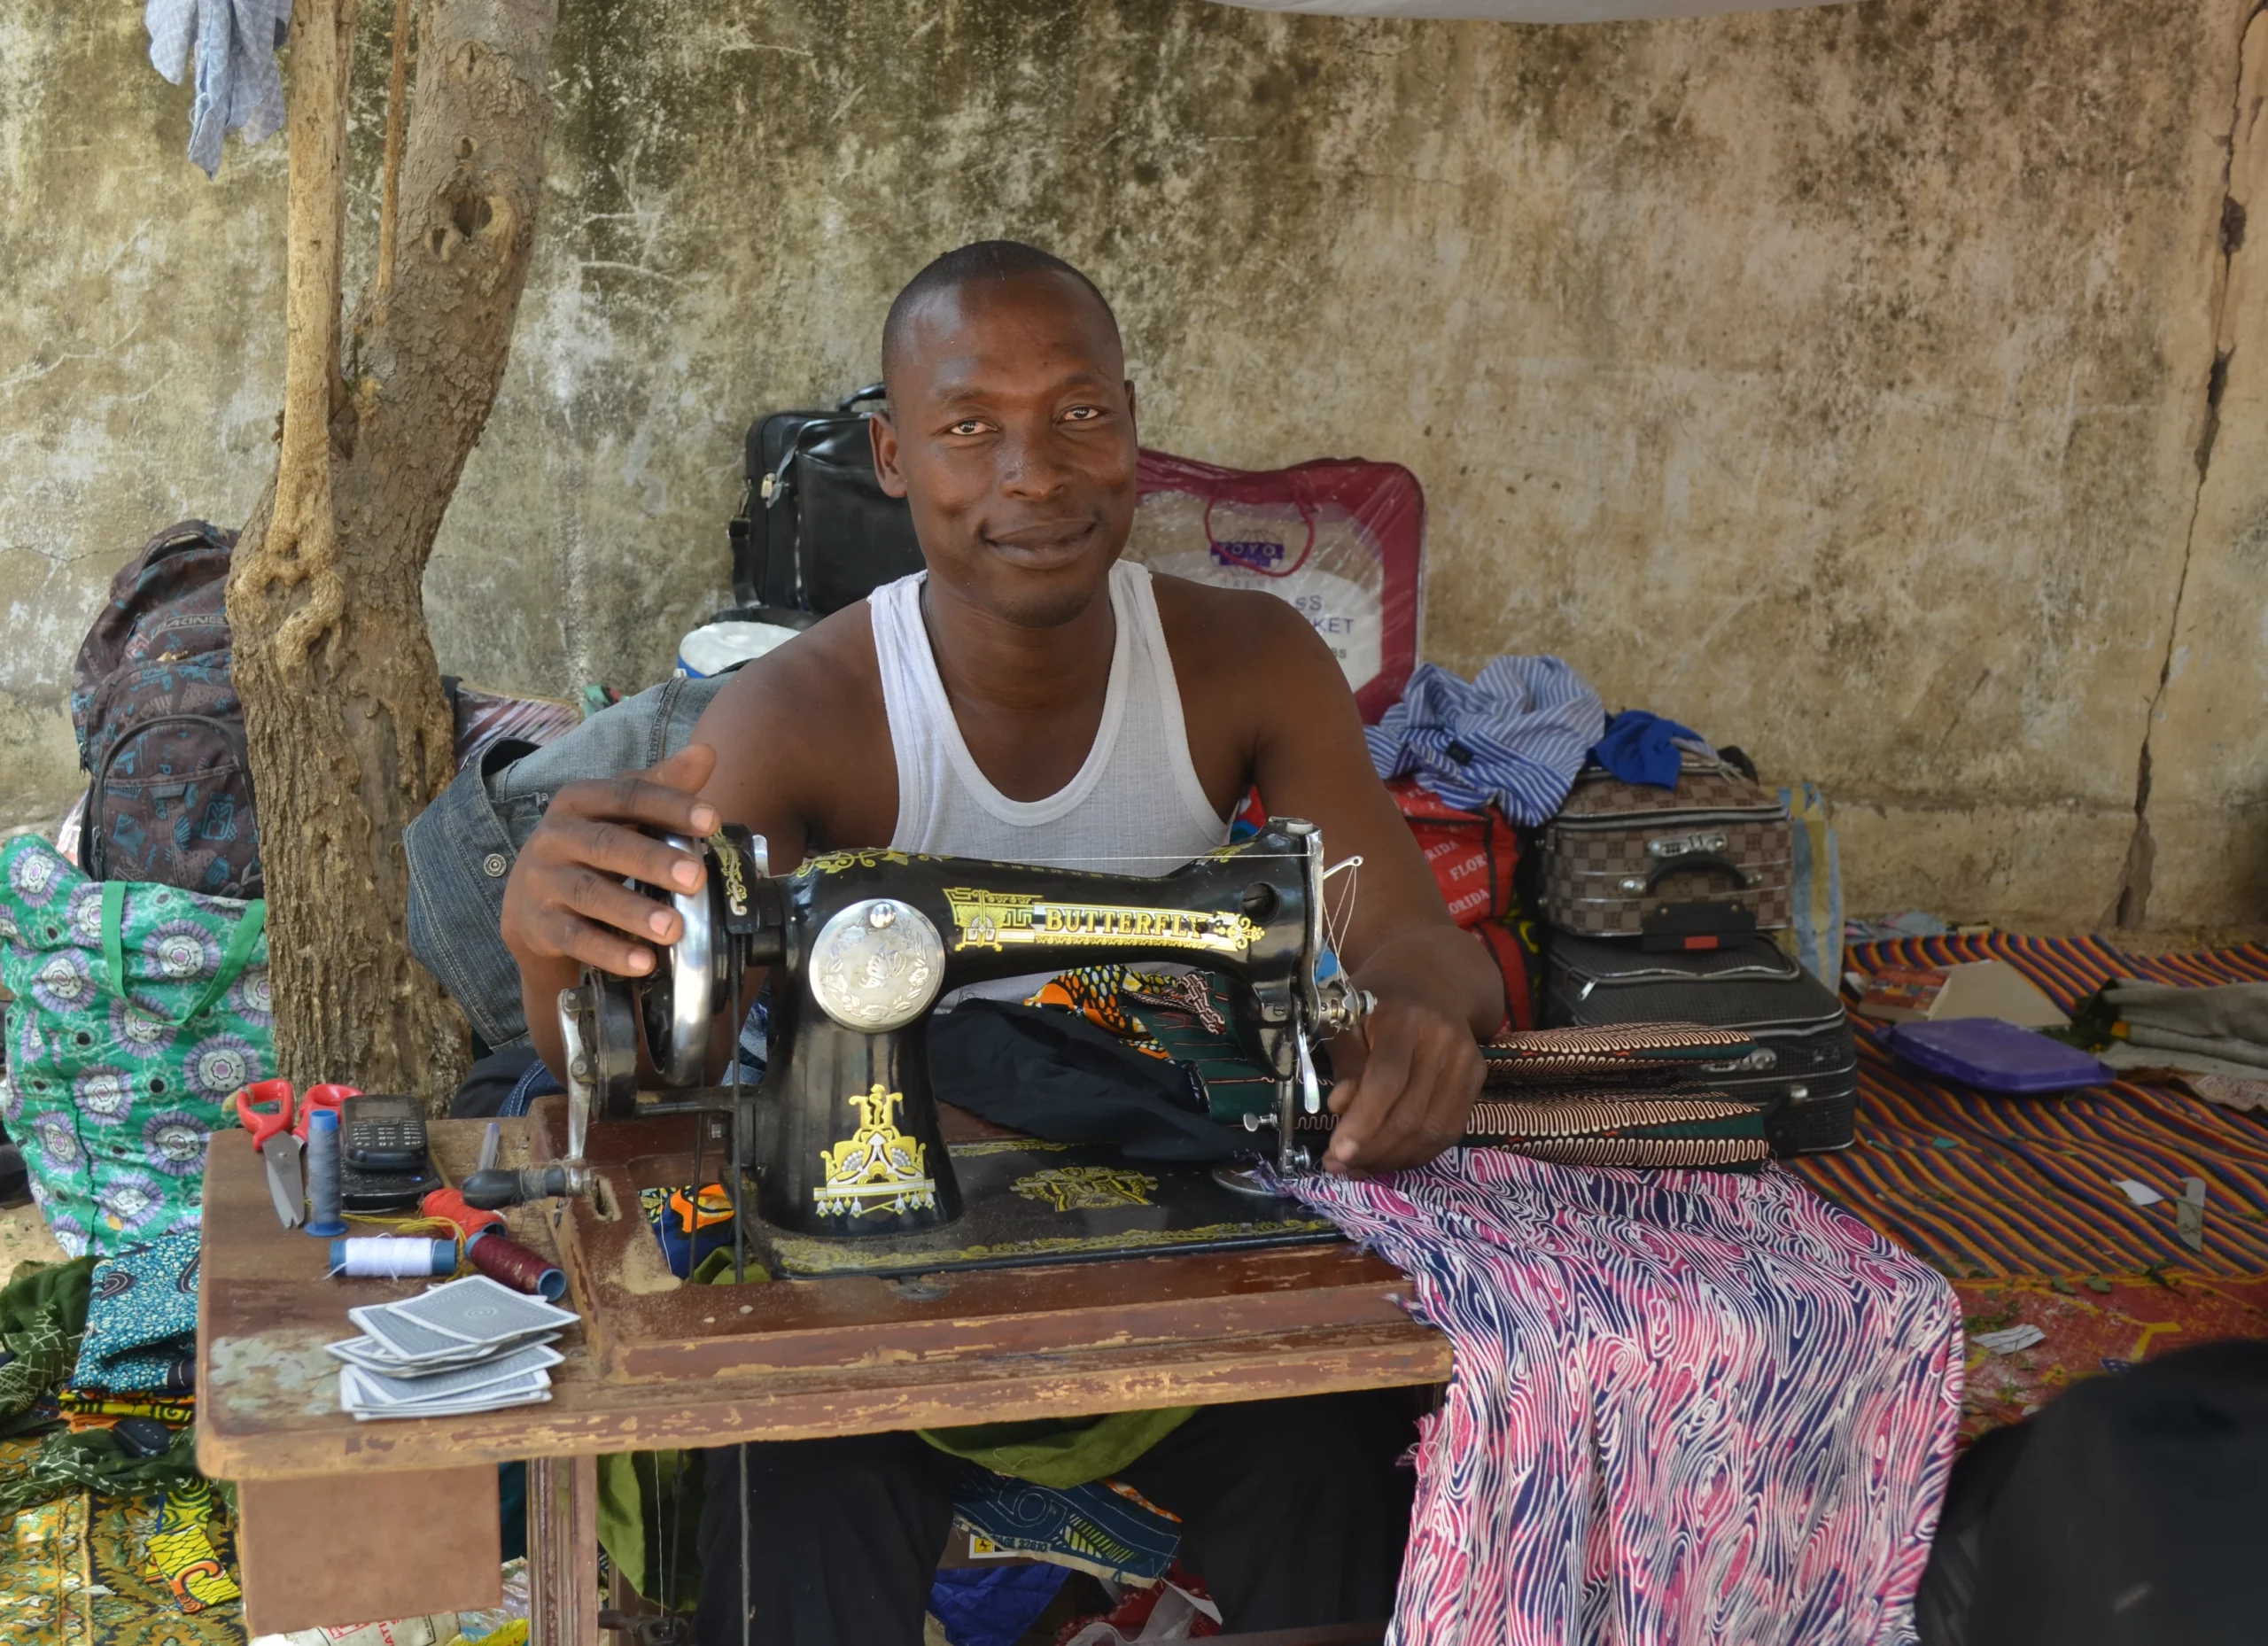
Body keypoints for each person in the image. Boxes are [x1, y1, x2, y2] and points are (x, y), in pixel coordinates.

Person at [500, 240, 1503, 1644]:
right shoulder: (810, 715)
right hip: (885, 1282)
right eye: (972, 427)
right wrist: (556, 945)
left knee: (1351, 1443)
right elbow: (663, 1056)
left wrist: (1417, 1022)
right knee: (786, 1464)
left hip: (1178, 1274)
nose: (1035, 472)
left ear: (1133, 427)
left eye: (1079, 414)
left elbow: (1414, 940)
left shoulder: (1246, 662)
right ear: (892, 454)